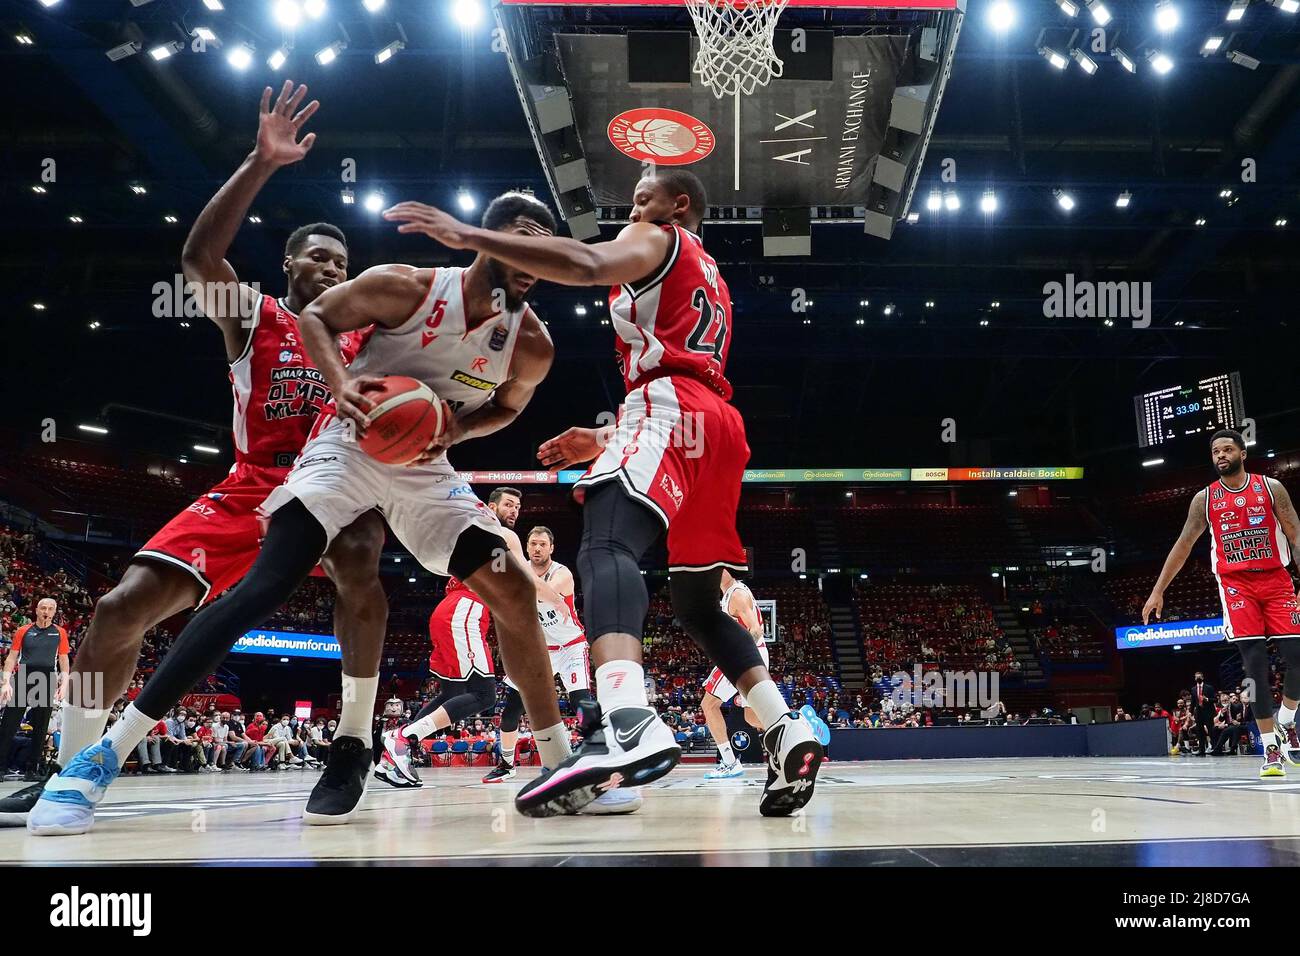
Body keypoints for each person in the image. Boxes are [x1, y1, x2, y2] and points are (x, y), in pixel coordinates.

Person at [30, 190, 575, 835]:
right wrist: (341, 385)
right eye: (521, 233)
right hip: (311, 458)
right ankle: (94, 756)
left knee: (497, 582)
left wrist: (452, 432)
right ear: (489, 240)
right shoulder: (379, 293)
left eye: (547, 242)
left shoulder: (528, 342)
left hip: (419, 466)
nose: (534, 248)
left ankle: (547, 761)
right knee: (228, 592)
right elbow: (236, 275)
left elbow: (507, 406)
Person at [383, 169, 823, 818]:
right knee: (700, 604)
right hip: (719, 428)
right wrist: (607, 436)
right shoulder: (713, 279)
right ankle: (786, 730)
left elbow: (587, 263)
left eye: (645, 197)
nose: (633, 207)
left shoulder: (660, 237)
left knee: (605, 543)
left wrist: (472, 235)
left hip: (669, 406)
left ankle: (623, 717)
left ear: (680, 206)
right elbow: (685, 368)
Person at [10, 82, 389, 829]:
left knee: (362, 551)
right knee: (119, 611)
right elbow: (197, 257)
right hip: (253, 488)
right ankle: (74, 767)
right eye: (318, 257)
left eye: (342, 262)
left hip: (337, 489)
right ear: (290, 265)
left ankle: (352, 738)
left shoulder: (370, 339)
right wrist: (259, 161)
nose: (332, 269)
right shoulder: (257, 314)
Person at [1142, 429, 1300, 778]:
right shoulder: (1204, 499)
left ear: (1243, 453)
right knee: (1255, 667)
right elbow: (1183, 545)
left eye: (1227, 449)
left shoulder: (1271, 488)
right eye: (1216, 452)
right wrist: (1158, 590)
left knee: (1297, 659)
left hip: (1276, 579)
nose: (1221, 456)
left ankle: (1287, 721)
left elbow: (1295, 533)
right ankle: (1270, 749)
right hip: (1236, 586)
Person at [701, 571, 766, 780]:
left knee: (709, 705)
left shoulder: (737, 595)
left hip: (742, 656)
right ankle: (796, 726)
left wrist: (738, 650)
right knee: (752, 716)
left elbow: (757, 629)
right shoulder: (729, 594)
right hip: (752, 655)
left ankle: (729, 763)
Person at [0, 597, 69, 782]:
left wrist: (64, 684)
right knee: (8, 725)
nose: (46, 611)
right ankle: (1, 767)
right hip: (23, 677)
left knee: (40, 727)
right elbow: (11, 657)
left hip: (47, 679)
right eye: (43, 608)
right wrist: (6, 682)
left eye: (50, 608)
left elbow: (63, 660)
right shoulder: (24, 630)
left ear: (55, 612)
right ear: (36, 610)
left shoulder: (60, 632)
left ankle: (32, 769)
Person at [1189, 671, 1217, 757]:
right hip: (1199, 713)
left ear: (1202, 678)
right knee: (1200, 732)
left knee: (1211, 731)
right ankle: (1201, 750)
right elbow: (1193, 702)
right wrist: (1190, 712)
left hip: (1208, 712)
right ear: (1194, 678)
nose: (1198, 678)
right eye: (1196, 677)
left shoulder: (1209, 687)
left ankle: (1215, 748)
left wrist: (1207, 699)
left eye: (1199, 677)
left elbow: (1215, 699)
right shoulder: (1193, 689)